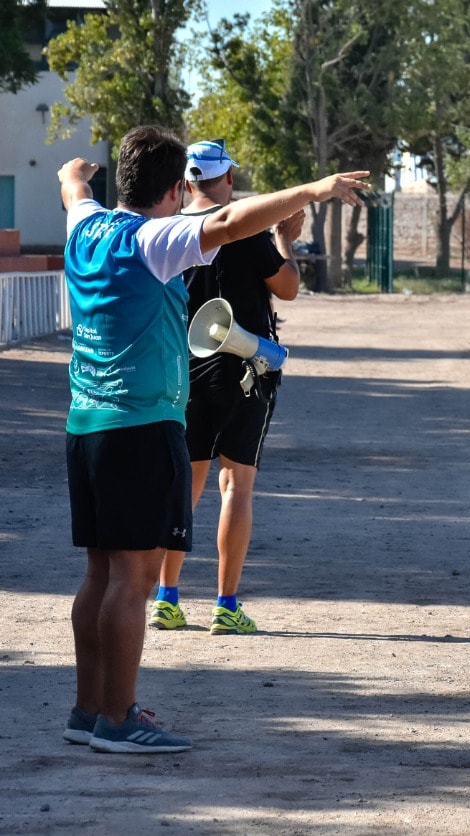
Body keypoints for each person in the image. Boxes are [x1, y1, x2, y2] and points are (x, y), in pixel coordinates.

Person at [59, 125, 369, 754]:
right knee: (132, 581)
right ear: (174, 191)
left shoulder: (85, 226)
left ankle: (88, 711)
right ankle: (118, 720)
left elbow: (72, 191)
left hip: (85, 424)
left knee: (99, 573)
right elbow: (229, 223)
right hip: (139, 427)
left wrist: (74, 175)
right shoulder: (152, 239)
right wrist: (315, 188)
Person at [148, 140, 304, 636]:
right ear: (229, 178)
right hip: (245, 369)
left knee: (184, 485)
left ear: (185, 183)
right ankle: (226, 605)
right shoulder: (244, 228)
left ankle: (167, 598)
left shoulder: (167, 230)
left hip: (183, 370)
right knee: (236, 486)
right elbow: (288, 287)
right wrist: (284, 240)